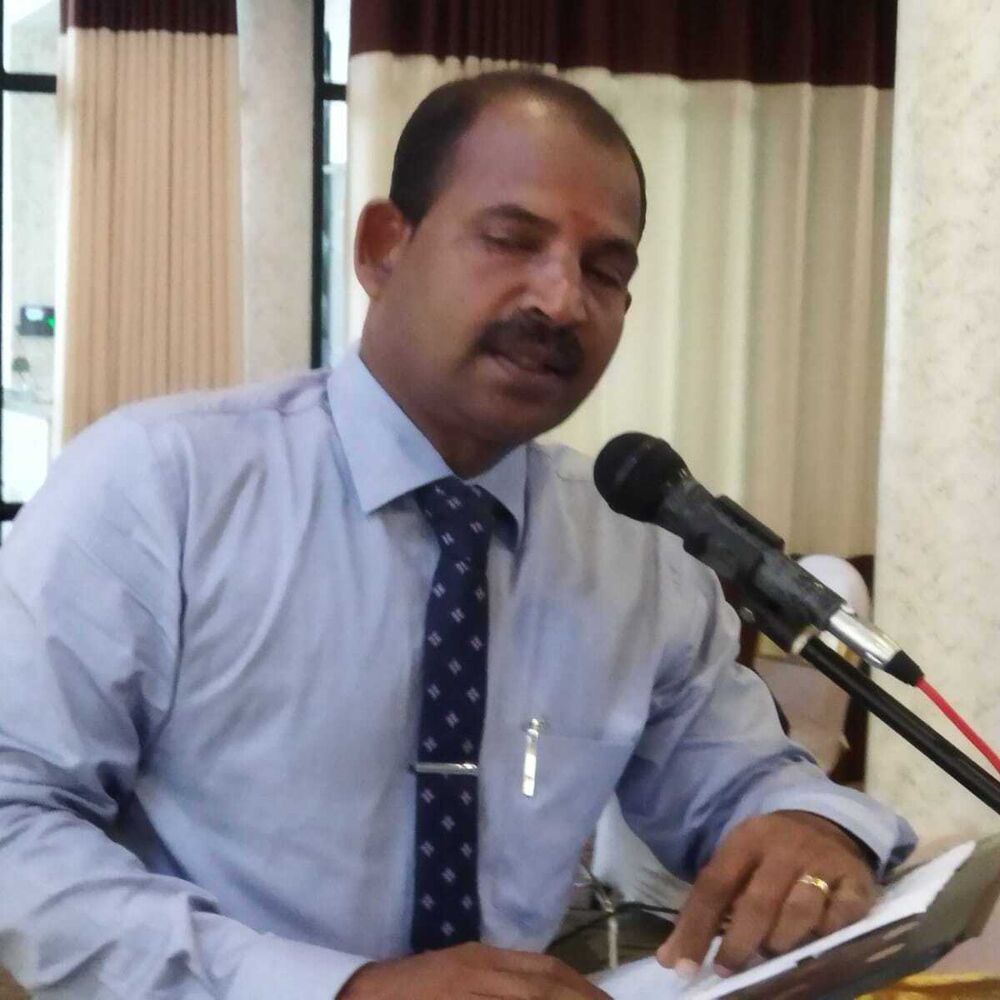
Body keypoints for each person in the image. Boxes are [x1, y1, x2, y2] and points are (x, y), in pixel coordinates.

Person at [0, 71, 914, 1000]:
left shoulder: (633, 554)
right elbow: (14, 819)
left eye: (606, 270)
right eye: (512, 241)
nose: (563, 301)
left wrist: (812, 827)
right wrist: (344, 991)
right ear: (383, 249)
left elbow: (739, 783)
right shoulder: (164, 487)